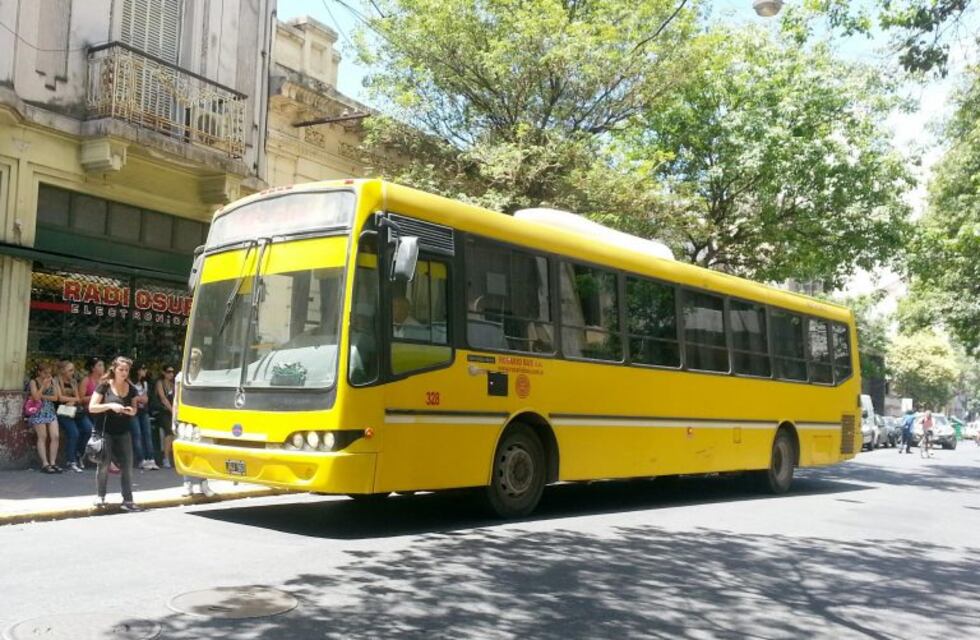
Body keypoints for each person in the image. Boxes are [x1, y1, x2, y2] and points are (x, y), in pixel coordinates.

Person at [88, 356, 141, 511]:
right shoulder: (104, 386)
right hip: (105, 431)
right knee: (103, 465)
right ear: (114, 369)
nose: (124, 373)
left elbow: (135, 408)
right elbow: (92, 407)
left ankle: (128, 500)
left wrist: (131, 411)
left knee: (127, 466)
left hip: (123, 431)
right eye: (121, 369)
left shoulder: (131, 388)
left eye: (126, 370)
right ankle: (100, 496)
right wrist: (110, 405)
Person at [174, 370, 215, 498]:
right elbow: (176, 398)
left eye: (196, 360)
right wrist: (174, 419)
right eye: (192, 360)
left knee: (201, 452)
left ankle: (204, 484)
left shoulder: (204, 376)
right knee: (187, 452)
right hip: (185, 418)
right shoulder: (181, 376)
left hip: (200, 417)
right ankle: (187, 484)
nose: (194, 363)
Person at [54, 360, 92, 472]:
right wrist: (72, 400)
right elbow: (59, 398)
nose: (72, 372)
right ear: (62, 371)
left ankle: (79, 453)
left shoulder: (73, 382)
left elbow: (78, 398)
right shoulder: (55, 381)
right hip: (63, 411)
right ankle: (71, 461)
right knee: (74, 433)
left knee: (88, 429)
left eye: (73, 370)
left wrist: (72, 400)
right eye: (70, 370)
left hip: (75, 410)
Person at [27, 362, 61, 473]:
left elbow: (56, 398)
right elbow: (36, 397)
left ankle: (53, 462)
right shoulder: (34, 382)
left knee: (55, 436)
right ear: (39, 372)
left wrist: (44, 395)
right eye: (45, 373)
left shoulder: (53, 381)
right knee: (43, 436)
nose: (48, 375)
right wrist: (42, 386)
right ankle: (45, 464)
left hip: (50, 411)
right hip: (38, 411)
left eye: (49, 373)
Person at [130, 362, 158, 470]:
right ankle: (142, 459)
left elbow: (145, 399)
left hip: (143, 411)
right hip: (134, 411)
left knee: (147, 434)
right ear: (137, 370)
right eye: (143, 369)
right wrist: (138, 399)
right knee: (137, 434)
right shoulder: (130, 383)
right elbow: (133, 399)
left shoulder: (144, 383)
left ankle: (151, 458)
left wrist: (138, 398)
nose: (145, 371)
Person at [153, 365, 176, 469]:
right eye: (168, 371)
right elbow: (163, 398)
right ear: (163, 373)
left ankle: (175, 457)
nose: (171, 374)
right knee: (169, 431)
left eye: (172, 372)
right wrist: (172, 411)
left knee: (175, 432)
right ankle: (166, 458)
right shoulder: (160, 383)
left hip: (172, 411)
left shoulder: (173, 384)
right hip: (162, 411)